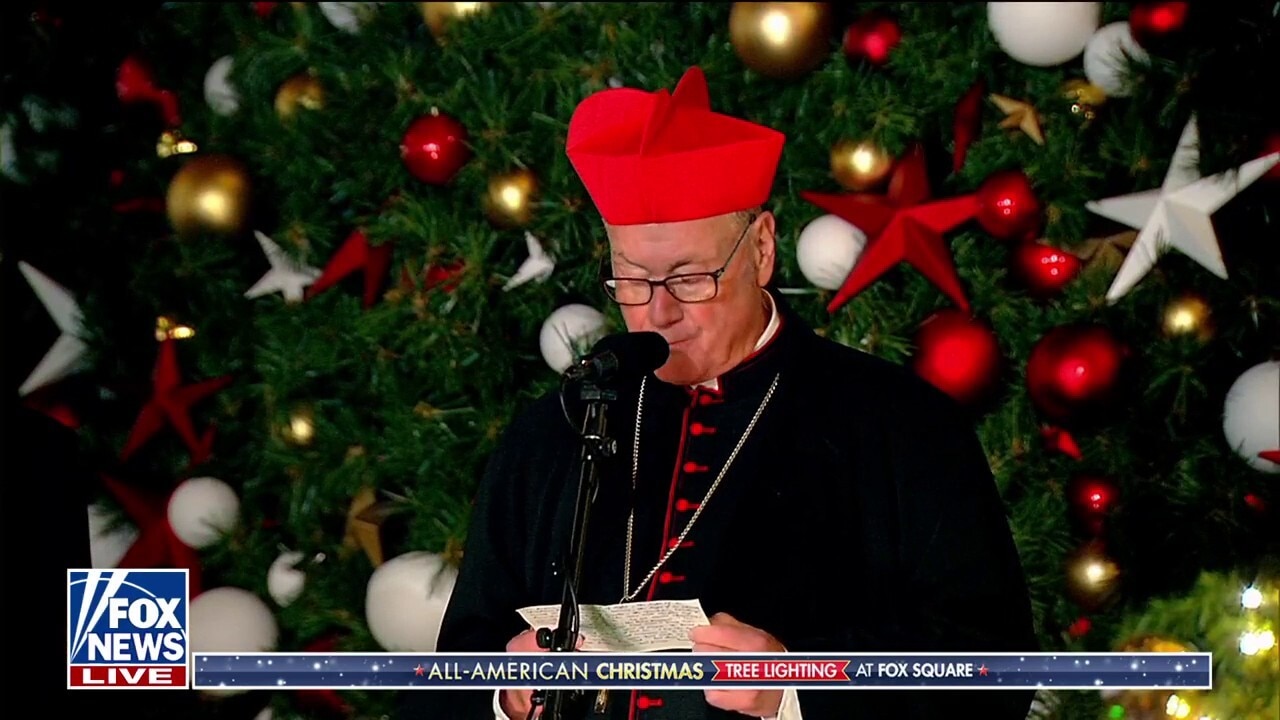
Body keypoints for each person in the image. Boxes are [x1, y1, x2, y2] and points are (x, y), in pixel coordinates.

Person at [398, 66, 1038, 720]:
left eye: (690, 278)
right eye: (632, 282)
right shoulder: (556, 433)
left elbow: (994, 667)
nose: (658, 314)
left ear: (760, 249)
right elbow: (448, 678)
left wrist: (795, 689)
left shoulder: (896, 423)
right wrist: (505, 692)